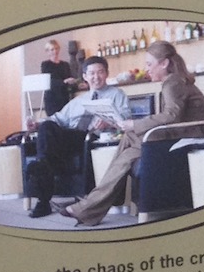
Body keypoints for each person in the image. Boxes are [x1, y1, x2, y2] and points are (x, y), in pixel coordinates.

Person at [58, 40, 204, 227]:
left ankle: (92, 205)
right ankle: (95, 203)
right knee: (128, 139)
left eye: (149, 64)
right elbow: (173, 116)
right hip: (181, 133)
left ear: (164, 63)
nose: (147, 69)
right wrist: (134, 127)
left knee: (129, 150)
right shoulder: (176, 80)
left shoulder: (173, 83)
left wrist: (134, 124)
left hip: (187, 138)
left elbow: (172, 115)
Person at [22, 58, 132, 219]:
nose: (96, 77)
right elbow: (57, 118)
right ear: (85, 76)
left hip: (92, 139)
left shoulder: (117, 94)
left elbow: (126, 120)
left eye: (100, 72)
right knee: (47, 126)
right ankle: (43, 168)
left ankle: (43, 196)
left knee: (48, 150)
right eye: (92, 73)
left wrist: (110, 122)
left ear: (107, 73)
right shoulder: (78, 100)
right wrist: (36, 125)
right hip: (70, 139)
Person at [39, 39, 75, 117]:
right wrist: (64, 82)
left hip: (64, 97)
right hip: (52, 98)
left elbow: (70, 78)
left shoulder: (65, 64)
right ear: (47, 52)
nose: (55, 51)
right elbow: (49, 81)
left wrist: (76, 83)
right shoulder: (45, 65)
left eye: (56, 48)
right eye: (52, 49)